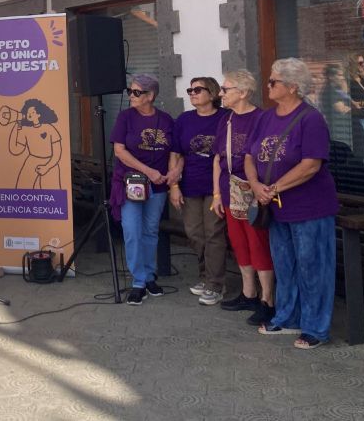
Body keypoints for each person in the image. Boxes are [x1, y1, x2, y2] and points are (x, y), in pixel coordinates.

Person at [246, 57, 338, 350]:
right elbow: (249, 155)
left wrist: (273, 188)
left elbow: (311, 165)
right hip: (276, 207)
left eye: (273, 81)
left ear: (293, 87)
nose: (268, 85)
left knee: (313, 267)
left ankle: (316, 328)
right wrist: (256, 185)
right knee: (285, 266)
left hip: (309, 206)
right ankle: (288, 317)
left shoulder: (311, 119)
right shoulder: (266, 117)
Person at [108, 74, 179, 306]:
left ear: (151, 96)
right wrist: (148, 171)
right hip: (133, 183)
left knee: (150, 230)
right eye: (130, 91)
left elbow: (175, 151)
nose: (131, 95)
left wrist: (173, 173)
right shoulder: (125, 117)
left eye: (137, 92)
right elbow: (119, 151)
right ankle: (138, 280)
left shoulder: (166, 120)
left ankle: (149, 276)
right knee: (131, 229)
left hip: (158, 185)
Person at [211, 70, 274, 324]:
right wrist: (216, 193)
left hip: (253, 190)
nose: (221, 94)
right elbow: (218, 158)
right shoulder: (225, 120)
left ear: (243, 92)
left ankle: (267, 299)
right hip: (229, 189)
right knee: (239, 243)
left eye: (225, 89)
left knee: (258, 242)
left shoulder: (262, 118)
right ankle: (248, 292)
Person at [170, 77, 227, 306]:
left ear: (212, 94)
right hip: (190, 185)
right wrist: (173, 186)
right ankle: (205, 276)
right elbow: (175, 154)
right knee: (194, 232)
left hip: (216, 186)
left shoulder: (224, 118)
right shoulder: (184, 120)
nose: (192, 93)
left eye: (198, 89)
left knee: (214, 232)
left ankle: (216, 284)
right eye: (190, 90)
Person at [9, 98, 64, 189]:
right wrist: (16, 126)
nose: (29, 114)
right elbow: (15, 150)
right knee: (22, 188)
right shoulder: (26, 129)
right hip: (31, 161)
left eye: (33, 112)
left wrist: (47, 167)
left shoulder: (50, 128)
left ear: (39, 114)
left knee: (52, 192)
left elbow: (57, 153)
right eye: (28, 112)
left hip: (50, 162)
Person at [319, 64, 352, 149]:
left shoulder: (337, 90)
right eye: (340, 75)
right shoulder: (329, 90)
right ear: (331, 77)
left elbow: (349, 102)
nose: (342, 78)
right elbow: (342, 110)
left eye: (343, 75)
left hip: (343, 128)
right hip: (338, 130)